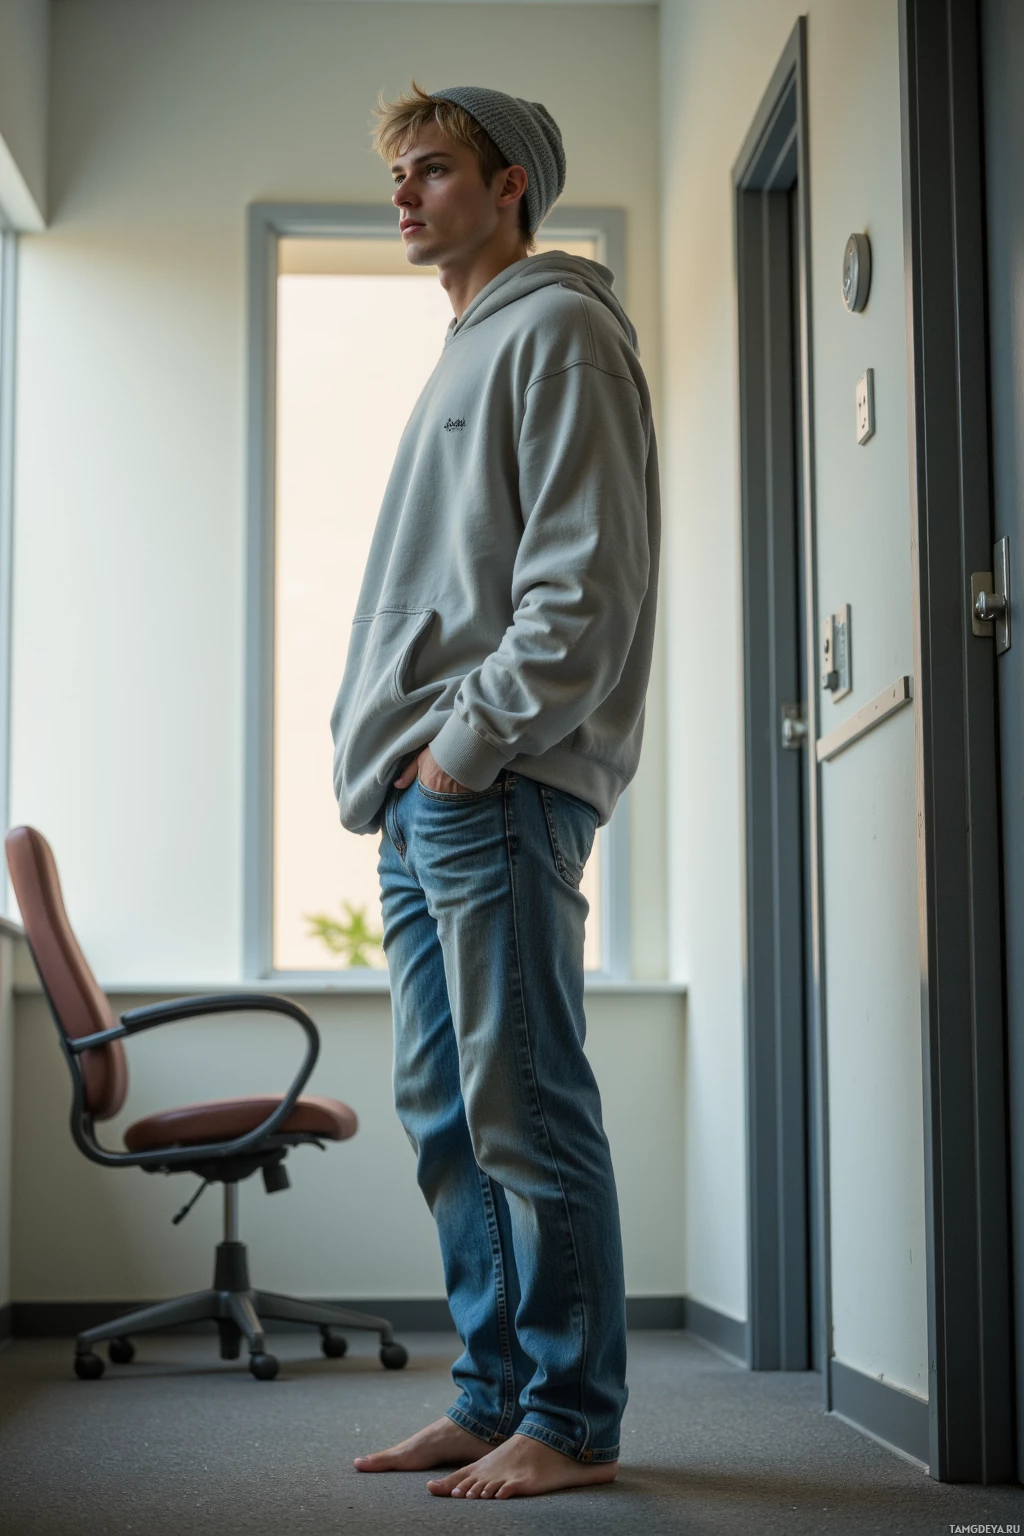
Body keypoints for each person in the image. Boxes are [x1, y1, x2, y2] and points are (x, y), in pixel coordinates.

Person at [330, 82, 660, 1501]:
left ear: (511, 182)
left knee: (524, 1103)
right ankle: (491, 1393)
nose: (405, 194)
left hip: (496, 785)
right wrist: (413, 776)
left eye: (435, 169)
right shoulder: (467, 347)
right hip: (429, 799)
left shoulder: (562, 331)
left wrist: (463, 754)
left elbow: (582, 590)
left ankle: (573, 1421)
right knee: (446, 1115)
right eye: (399, 173)